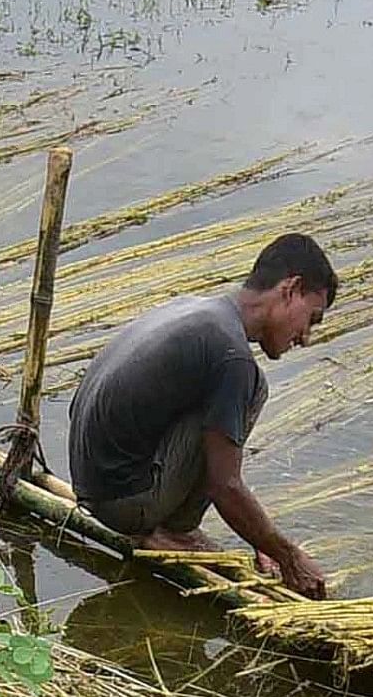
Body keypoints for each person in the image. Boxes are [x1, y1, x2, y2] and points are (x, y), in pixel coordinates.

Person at [64, 234, 337, 598]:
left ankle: (165, 519)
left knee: (222, 402)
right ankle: (175, 530)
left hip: (91, 478)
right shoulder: (232, 357)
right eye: (312, 319)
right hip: (119, 503)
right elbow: (225, 485)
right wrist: (287, 556)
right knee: (252, 390)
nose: (305, 338)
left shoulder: (201, 311)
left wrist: (257, 536)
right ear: (291, 289)